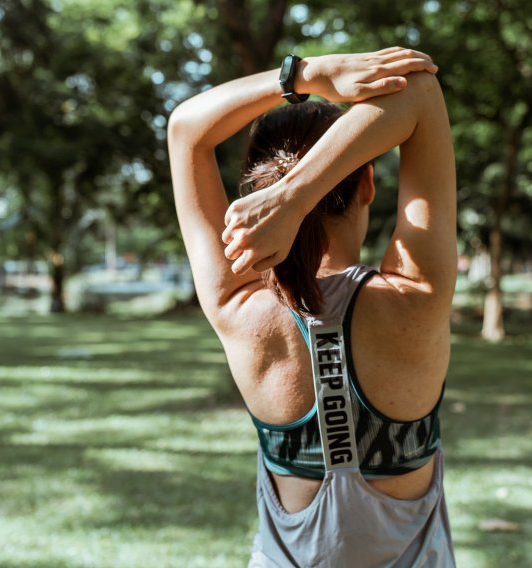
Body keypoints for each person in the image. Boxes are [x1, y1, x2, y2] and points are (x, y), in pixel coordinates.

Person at [167, 46, 457, 567]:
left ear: (253, 193)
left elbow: (186, 128)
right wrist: (296, 198)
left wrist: (306, 74)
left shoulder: (238, 305)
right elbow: (422, 92)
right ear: (367, 183)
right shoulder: (417, 294)